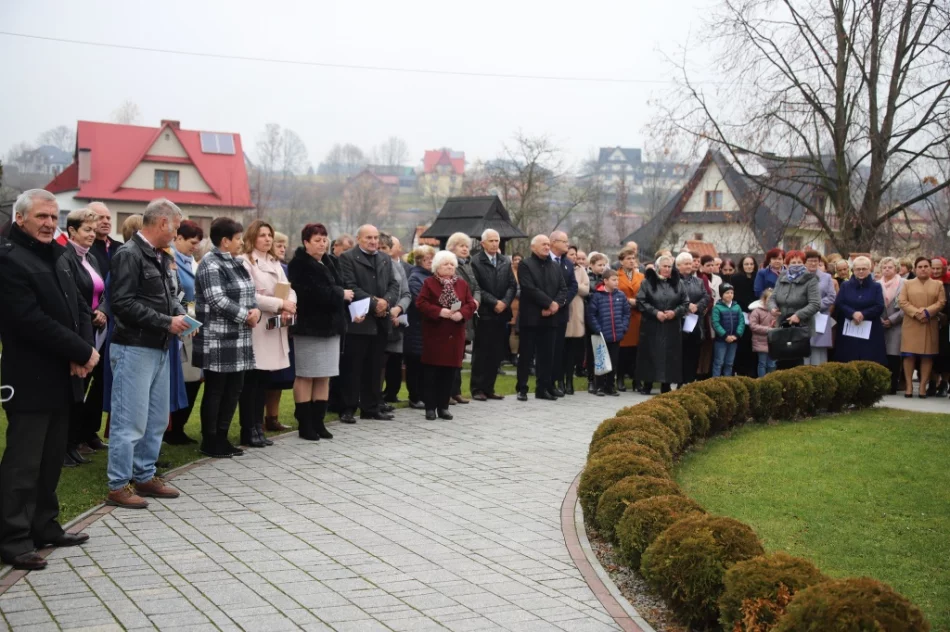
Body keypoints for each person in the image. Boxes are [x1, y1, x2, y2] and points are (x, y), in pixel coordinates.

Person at [0, 190, 98, 570]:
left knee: (52, 458)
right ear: (20, 218)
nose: (48, 223)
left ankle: (45, 525)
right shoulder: (9, 260)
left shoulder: (58, 254)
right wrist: (78, 349)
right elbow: (27, 319)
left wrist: (82, 350)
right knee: (23, 463)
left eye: (54, 217)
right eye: (41, 216)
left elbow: (79, 306)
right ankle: (13, 538)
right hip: (29, 377)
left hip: (63, 375)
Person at [106, 198, 187, 509]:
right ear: (163, 223)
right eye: (176, 228)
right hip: (133, 347)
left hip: (159, 346)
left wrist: (181, 316)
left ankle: (145, 475)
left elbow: (170, 295)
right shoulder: (128, 254)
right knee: (129, 421)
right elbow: (122, 304)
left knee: (154, 420)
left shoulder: (160, 255)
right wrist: (168, 322)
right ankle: (117, 484)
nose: (176, 234)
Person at [193, 218, 260, 457]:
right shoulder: (211, 264)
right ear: (225, 240)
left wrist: (256, 311)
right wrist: (246, 315)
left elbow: (250, 292)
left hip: (240, 336)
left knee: (234, 389)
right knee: (216, 390)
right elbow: (217, 299)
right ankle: (210, 439)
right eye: (238, 238)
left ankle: (222, 436)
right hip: (218, 338)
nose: (241, 242)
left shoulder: (236, 262)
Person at [288, 223, 352, 440]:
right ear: (306, 243)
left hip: (331, 327)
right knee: (306, 375)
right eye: (317, 240)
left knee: (324, 375)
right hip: (310, 327)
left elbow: (338, 285)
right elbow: (311, 293)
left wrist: (339, 295)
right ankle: (305, 424)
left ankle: (319, 422)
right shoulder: (299, 264)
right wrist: (339, 294)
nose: (322, 244)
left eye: (324, 239)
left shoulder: (331, 261)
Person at [237, 220, 297, 447]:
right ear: (252, 237)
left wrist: (289, 304)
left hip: (274, 325)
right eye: (262, 235)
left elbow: (289, 289)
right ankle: (248, 428)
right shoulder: (244, 262)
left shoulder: (275, 262)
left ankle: (258, 427)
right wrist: (279, 303)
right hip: (257, 326)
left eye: (269, 235)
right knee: (251, 381)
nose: (267, 239)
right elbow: (250, 295)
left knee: (263, 381)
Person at [338, 225, 400, 422]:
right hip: (359, 321)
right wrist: (375, 303)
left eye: (375, 238)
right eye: (369, 238)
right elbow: (350, 285)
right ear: (359, 239)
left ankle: (371, 407)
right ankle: (348, 408)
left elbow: (394, 284)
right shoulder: (347, 258)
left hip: (380, 322)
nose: (373, 241)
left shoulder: (384, 259)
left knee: (374, 368)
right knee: (353, 368)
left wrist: (386, 301)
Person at [61, 209, 108, 467]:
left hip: (97, 332)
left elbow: (103, 290)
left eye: (94, 230)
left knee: (83, 392)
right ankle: (64, 447)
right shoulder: (65, 258)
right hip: (78, 331)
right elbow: (71, 294)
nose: (92, 234)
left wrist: (103, 310)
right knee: (73, 392)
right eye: (87, 230)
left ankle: (73, 443)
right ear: (72, 231)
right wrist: (91, 313)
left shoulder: (91, 258)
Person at [415, 250, 478, 419]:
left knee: (449, 374)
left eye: (452, 264)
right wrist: (439, 311)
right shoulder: (429, 283)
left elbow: (471, 304)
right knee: (431, 373)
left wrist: (462, 313)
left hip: (455, 334)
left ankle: (443, 407)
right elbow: (421, 303)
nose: (450, 267)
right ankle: (430, 407)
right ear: (437, 267)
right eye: (445, 264)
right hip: (435, 334)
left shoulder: (462, 284)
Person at [515, 235, 567, 401]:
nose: (546, 246)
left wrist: (555, 305)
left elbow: (563, 289)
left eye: (547, 244)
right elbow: (529, 288)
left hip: (551, 318)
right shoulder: (525, 265)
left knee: (547, 356)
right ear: (533, 247)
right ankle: (522, 388)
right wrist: (548, 304)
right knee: (526, 355)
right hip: (531, 318)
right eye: (543, 244)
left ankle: (543, 388)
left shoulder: (555, 266)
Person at [165, 220, 204, 445]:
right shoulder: (172, 261)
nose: (195, 247)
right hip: (181, 327)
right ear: (178, 238)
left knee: (194, 379)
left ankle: (179, 426)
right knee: (181, 379)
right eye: (191, 242)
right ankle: (171, 428)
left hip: (195, 327)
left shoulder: (193, 262)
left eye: (198, 243)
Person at [470, 229, 516, 401]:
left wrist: (504, 302)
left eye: (497, 240)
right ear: (483, 243)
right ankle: (477, 388)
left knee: (496, 352)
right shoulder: (476, 261)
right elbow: (476, 287)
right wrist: (494, 302)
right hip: (485, 313)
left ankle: (489, 387)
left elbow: (512, 285)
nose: (495, 244)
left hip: (502, 313)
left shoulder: (505, 260)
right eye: (491, 241)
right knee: (482, 352)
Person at [635, 255, 688, 394]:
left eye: (669, 266)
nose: (667, 269)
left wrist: (675, 312)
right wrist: (655, 312)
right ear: (658, 267)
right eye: (664, 266)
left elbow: (685, 303)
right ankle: (648, 384)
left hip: (671, 326)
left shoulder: (678, 283)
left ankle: (666, 385)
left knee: (670, 356)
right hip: (652, 324)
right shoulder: (647, 283)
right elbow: (641, 301)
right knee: (650, 354)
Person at [899, 257, 947, 398]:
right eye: (920, 266)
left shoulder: (937, 284)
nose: (923, 269)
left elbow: (941, 302)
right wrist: (916, 313)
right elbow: (902, 301)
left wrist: (927, 312)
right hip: (912, 323)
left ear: (930, 268)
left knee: (927, 356)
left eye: (926, 266)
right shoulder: (907, 283)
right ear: (915, 269)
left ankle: (922, 387)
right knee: (909, 356)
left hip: (929, 323)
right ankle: (908, 386)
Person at [767, 250, 820, 370]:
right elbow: (772, 298)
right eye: (793, 262)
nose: (796, 264)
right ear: (787, 263)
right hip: (782, 325)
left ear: (804, 263)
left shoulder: (811, 279)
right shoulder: (782, 277)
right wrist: (773, 308)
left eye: (799, 262)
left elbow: (815, 304)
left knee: (796, 360)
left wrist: (799, 315)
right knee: (781, 359)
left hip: (801, 326)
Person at [264, 231, 296, 429]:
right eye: (279, 245)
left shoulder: (284, 268)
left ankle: (272, 417)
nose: (283, 249)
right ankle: (258, 419)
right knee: (265, 378)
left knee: (280, 378)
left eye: (285, 245)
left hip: (283, 324)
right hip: (266, 323)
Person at [446, 232, 481, 404]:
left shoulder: (468, 265)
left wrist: (475, 301)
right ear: (452, 248)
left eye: (467, 246)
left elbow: (476, 288)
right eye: (461, 246)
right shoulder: (449, 265)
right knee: (451, 355)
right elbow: (455, 292)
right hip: (456, 314)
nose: (465, 249)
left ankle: (456, 391)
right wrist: (468, 304)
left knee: (459, 356)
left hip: (468, 314)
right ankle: (448, 392)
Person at [832, 255, 886, 366]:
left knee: (869, 361)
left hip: (870, 330)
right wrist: (852, 313)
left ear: (869, 269)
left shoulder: (876, 286)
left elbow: (879, 305)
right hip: (849, 329)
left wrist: (863, 314)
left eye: (864, 269)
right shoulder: (846, 286)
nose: (861, 271)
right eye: (858, 269)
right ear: (853, 270)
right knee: (847, 360)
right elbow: (840, 303)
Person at [586, 269, 631, 396]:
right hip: (601, 335)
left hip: (616, 334)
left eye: (617, 279)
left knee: (613, 361)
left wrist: (623, 327)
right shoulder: (597, 296)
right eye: (613, 280)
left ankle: (610, 386)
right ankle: (599, 386)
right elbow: (591, 314)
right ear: (605, 281)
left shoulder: (621, 296)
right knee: (601, 360)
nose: (616, 282)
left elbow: (626, 313)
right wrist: (597, 329)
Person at [380, 234, 411, 405]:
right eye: (380, 248)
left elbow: (406, 293)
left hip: (396, 321)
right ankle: (374, 399)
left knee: (392, 361)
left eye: (385, 248)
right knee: (378, 364)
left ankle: (385, 398)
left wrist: (398, 309)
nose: (383, 251)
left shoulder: (397, 267)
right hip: (378, 319)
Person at [405, 246, 435, 409]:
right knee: (415, 364)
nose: (431, 261)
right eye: (427, 259)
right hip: (417, 327)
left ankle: (426, 394)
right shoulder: (415, 278)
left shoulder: (434, 277)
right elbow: (420, 303)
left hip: (430, 328)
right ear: (420, 260)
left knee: (426, 364)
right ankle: (415, 397)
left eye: (432, 258)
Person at [549, 231, 578, 396]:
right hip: (545, 311)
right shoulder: (545, 261)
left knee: (559, 349)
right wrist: (550, 303)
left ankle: (556, 381)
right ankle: (546, 382)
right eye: (564, 241)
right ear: (553, 242)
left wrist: (561, 302)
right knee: (547, 349)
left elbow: (573, 286)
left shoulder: (567, 263)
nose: (567, 244)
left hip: (561, 312)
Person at [677, 252, 710, 385]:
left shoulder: (699, 281)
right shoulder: (674, 281)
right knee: (681, 352)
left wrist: (697, 306)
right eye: (686, 263)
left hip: (695, 321)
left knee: (694, 351)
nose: (689, 266)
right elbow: (672, 297)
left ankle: (690, 379)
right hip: (679, 320)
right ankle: (680, 380)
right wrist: (687, 305)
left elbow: (706, 297)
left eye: (690, 263)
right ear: (678, 265)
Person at [561, 245, 590, 395]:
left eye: (576, 255)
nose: (574, 257)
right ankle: (560, 381)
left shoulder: (581, 270)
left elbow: (586, 289)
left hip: (576, 311)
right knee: (561, 350)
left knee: (572, 350)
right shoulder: (559, 267)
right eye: (572, 254)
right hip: (562, 309)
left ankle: (570, 382)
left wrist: (573, 284)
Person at [616, 248, 644, 392]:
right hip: (622, 316)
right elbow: (613, 293)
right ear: (621, 261)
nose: (632, 261)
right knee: (623, 350)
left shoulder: (641, 276)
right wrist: (627, 301)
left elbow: (646, 294)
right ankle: (620, 378)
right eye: (628, 258)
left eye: (633, 258)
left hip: (638, 316)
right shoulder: (616, 276)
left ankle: (636, 380)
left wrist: (637, 302)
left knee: (637, 350)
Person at [804, 250, 837, 366]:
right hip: (803, 317)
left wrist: (816, 306)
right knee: (804, 348)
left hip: (820, 316)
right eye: (810, 261)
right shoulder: (799, 277)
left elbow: (832, 296)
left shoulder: (826, 277)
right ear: (805, 262)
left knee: (819, 351)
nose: (813, 264)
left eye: (815, 261)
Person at [879, 257, 905, 394]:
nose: (887, 269)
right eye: (884, 267)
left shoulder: (904, 283)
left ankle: (893, 385)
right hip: (880, 324)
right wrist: (880, 319)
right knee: (881, 355)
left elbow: (906, 305)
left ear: (896, 268)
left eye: (890, 267)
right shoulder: (877, 284)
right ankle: (881, 384)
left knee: (894, 356)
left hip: (897, 324)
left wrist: (892, 319)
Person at [585, 253, 610, 393]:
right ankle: (591, 379)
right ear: (592, 265)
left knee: (602, 349)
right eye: (599, 265)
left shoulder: (606, 279)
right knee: (591, 350)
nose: (602, 267)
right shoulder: (588, 279)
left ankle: (602, 378)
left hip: (604, 317)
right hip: (591, 316)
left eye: (604, 265)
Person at [711, 283, 745, 377]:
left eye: (731, 293)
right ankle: (715, 383)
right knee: (719, 362)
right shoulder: (717, 307)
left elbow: (741, 321)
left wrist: (737, 335)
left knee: (729, 363)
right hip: (721, 340)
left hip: (733, 340)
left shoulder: (737, 307)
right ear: (721, 294)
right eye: (727, 293)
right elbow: (715, 323)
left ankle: (728, 382)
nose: (730, 295)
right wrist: (725, 335)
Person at [88, 201, 122, 289]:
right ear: (88, 220)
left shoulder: (121, 248)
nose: (106, 221)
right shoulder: (84, 249)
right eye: (100, 218)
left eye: (108, 218)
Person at [748, 288, 777, 376]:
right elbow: (753, 325)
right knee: (762, 364)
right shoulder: (757, 311)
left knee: (772, 364)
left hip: (774, 342)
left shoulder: (777, 311)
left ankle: (772, 382)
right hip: (761, 342)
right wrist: (768, 329)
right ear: (764, 299)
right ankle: (762, 383)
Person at [508, 253, 523, 364]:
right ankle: (512, 355)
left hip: (522, 306)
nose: (517, 261)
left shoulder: (525, 272)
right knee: (513, 330)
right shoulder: (509, 272)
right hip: (511, 304)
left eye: (519, 259)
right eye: (515, 259)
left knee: (518, 331)